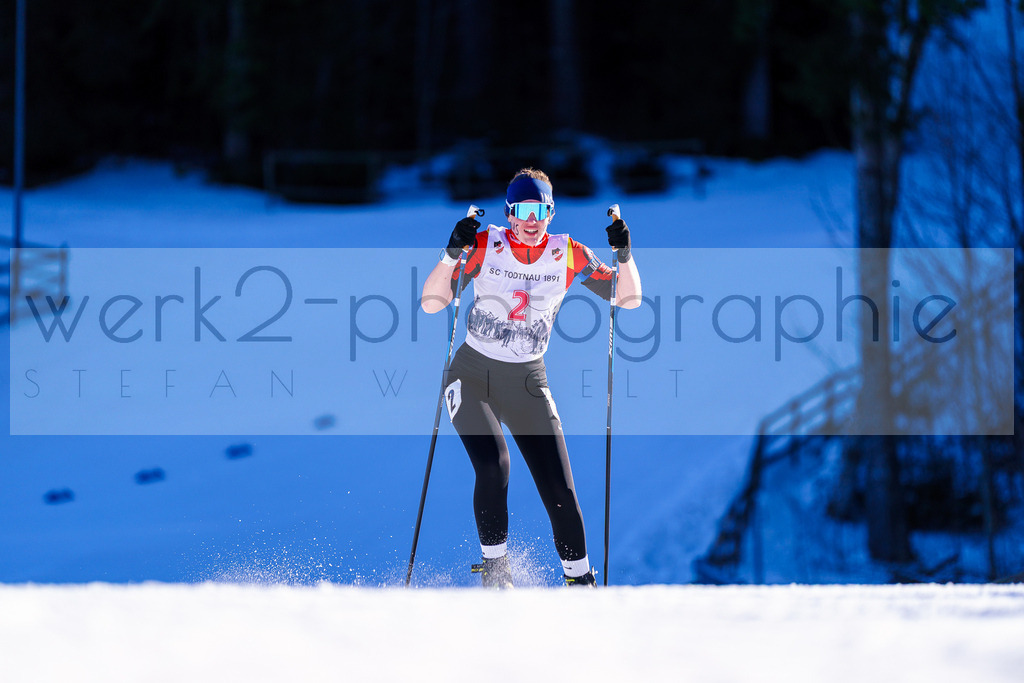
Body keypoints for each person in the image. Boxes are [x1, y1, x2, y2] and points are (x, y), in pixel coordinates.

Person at [421, 168, 641, 588]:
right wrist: (451, 254)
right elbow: (434, 303)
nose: (531, 219)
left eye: (541, 210)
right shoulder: (487, 244)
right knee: (494, 465)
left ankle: (580, 583)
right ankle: (496, 571)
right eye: (523, 209)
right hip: (472, 376)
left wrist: (625, 256)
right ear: (508, 213)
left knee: (560, 490)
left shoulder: (568, 253)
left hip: (527, 382)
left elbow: (627, 299)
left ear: (551, 213)